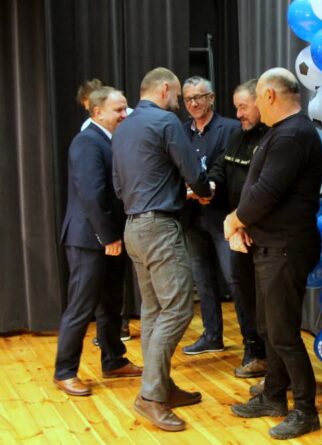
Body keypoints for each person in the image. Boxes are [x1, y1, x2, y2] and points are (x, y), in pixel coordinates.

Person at [224, 68, 322, 440]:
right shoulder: (280, 132)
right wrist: (243, 223)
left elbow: (266, 192)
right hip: (270, 245)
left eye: (255, 99)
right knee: (269, 328)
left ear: (269, 96)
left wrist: (234, 220)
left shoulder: (293, 134)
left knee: (283, 333)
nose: (253, 107)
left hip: (285, 247)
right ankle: (274, 395)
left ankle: (306, 411)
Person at [112, 67, 212, 432]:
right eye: (178, 95)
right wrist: (204, 191)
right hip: (159, 227)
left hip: (133, 227)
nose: (180, 103)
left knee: (154, 310)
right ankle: (151, 396)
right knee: (179, 309)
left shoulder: (123, 128)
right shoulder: (166, 122)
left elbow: (118, 186)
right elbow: (193, 172)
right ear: (166, 89)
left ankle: (162, 386)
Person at [54, 86, 143, 396]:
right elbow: (92, 195)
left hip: (108, 238)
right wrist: (108, 237)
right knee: (81, 307)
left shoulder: (109, 139)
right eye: (118, 110)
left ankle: (114, 360)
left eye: (125, 108)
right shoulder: (87, 142)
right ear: (97, 112)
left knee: (111, 304)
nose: (125, 114)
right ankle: (65, 371)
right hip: (89, 239)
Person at [200, 79, 269, 378]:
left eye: (243, 107)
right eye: (236, 108)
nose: (238, 114)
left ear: (261, 103)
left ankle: (273, 361)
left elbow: (267, 190)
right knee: (241, 292)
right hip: (238, 233)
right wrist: (210, 187)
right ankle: (253, 351)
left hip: (264, 234)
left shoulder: (274, 138)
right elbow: (221, 168)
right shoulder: (238, 136)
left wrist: (242, 221)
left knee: (267, 301)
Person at [179, 76, 240, 356]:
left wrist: (211, 189)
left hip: (223, 215)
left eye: (199, 97)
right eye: (188, 99)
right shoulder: (181, 132)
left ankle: (253, 342)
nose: (193, 103)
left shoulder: (230, 128)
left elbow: (233, 170)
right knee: (202, 278)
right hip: (192, 216)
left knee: (233, 277)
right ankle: (212, 335)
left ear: (211, 98)